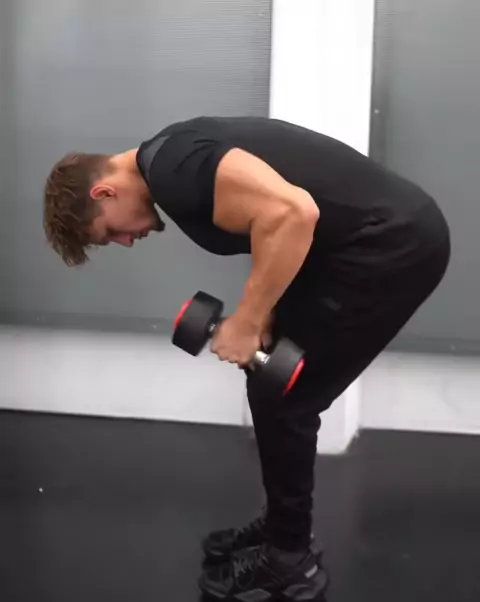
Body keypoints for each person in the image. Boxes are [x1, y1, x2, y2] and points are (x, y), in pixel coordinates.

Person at [43, 116, 451, 601]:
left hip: (389, 245)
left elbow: (293, 212)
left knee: (288, 397)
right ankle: (283, 527)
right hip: (353, 245)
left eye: (109, 233)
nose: (126, 242)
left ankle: (290, 561)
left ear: (104, 193)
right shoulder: (169, 154)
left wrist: (247, 320)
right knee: (272, 380)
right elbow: (275, 221)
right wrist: (266, 313)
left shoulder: (174, 169)